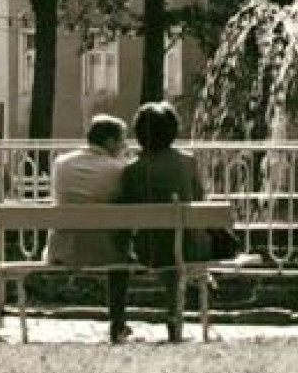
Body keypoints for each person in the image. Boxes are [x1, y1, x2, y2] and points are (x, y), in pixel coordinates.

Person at [118, 102, 210, 343]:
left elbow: (126, 209)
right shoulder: (188, 163)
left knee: (164, 242)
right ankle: (174, 316)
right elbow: (200, 199)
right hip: (191, 248)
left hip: (148, 249)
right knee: (176, 243)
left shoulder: (132, 171)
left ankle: (122, 322)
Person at [47, 115, 132, 343]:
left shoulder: (61, 164)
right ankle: (118, 323)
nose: (125, 145)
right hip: (106, 251)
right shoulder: (119, 169)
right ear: (110, 142)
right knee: (121, 258)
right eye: (122, 140)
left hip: (64, 249)